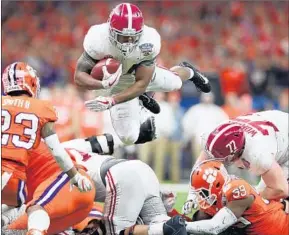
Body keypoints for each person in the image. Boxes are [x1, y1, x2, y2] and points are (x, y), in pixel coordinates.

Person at [74, 3, 211, 146]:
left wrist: (112, 101)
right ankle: (140, 99)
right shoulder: (98, 38)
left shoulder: (149, 39)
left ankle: (189, 71)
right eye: (123, 37)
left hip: (138, 74)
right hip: (115, 82)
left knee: (175, 83)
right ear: (111, 31)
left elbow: (142, 83)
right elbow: (79, 76)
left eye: (133, 37)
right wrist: (102, 84)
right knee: (129, 138)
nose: (128, 43)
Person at [6, 143, 186, 235]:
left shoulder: (54, 165)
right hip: (142, 171)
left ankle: (163, 228)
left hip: (120, 176)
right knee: (166, 227)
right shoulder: (61, 149)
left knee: (114, 232)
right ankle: (187, 226)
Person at [1, 62, 93, 234]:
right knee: (30, 210)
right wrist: (75, 176)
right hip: (14, 182)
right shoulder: (42, 108)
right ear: (32, 83)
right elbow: (57, 151)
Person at [185, 160, 289, 235]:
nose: (201, 197)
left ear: (216, 185)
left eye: (202, 193)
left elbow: (214, 227)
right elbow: (195, 224)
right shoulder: (217, 198)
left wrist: (182, 225)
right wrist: (171, 213)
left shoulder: (237, 190)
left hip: (281, 228)